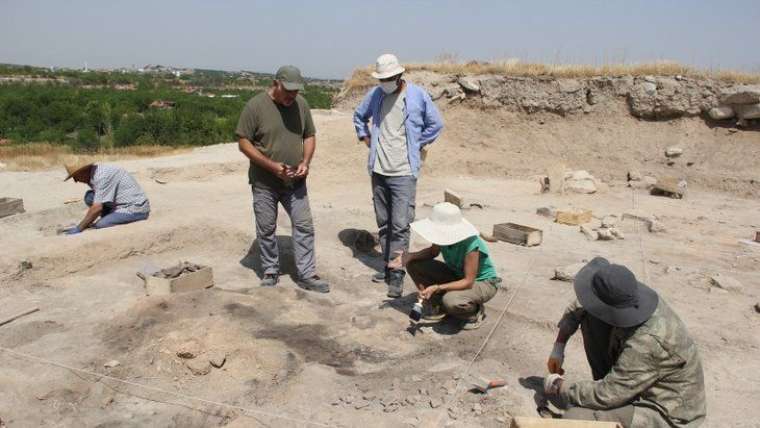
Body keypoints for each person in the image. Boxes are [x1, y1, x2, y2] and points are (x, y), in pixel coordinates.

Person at [543, 257, 706, 427]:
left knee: (575, 417)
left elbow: (609, 393)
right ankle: (612, 399)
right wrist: (558, 347)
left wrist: (561, 387)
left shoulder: (647, 341)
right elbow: (579, 307)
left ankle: (614, 405)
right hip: (631, 384)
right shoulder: (625, 295)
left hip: (666, 412)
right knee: (592, 317)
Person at [353, 53, 444, 298]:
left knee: (401, 225)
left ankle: (397, 274)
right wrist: (365, 137)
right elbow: (359, 117)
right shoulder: (375, 95)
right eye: (382, 79)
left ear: (399, 76)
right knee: (384, 222)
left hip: (403, 171)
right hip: (379, 170)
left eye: (389, 78)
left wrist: (416, 144)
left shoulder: (417, 96)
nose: (385, 82)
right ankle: (386, 265)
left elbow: (436, 124)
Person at [236, 65, 329, 293]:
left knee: (304, 225)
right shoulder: (255, 106)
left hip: (295, 182)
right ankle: (270, 271)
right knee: (266, 227)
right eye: (288, 91)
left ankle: (307, 274)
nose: (292, 96)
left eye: (296, 92)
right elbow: (243, 142)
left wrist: (305, 162)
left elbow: (309, 135)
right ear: (276, 83)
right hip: (264, 182)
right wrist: (272, 166)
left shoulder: (301, 105)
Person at [389, 202, 501, 330]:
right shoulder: (441, 236)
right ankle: (440, 305)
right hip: (458, 275)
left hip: (482, 282)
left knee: (451, 301)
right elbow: (432, 252)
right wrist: (409, 256)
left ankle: (474, 311)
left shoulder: (471, 243)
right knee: (414, 264)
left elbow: (468, 282)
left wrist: (437, 287)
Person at [63, 163, 150, 234]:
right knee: (90, 196)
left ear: (83, 171)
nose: (75, 181)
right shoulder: (93, 174)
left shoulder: (102, 176)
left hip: (135, 208)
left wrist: (79, 227)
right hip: (119, 203)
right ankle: (110, 216)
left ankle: (110, 218)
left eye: (75, 176)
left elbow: (97, 207)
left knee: (100, 224)